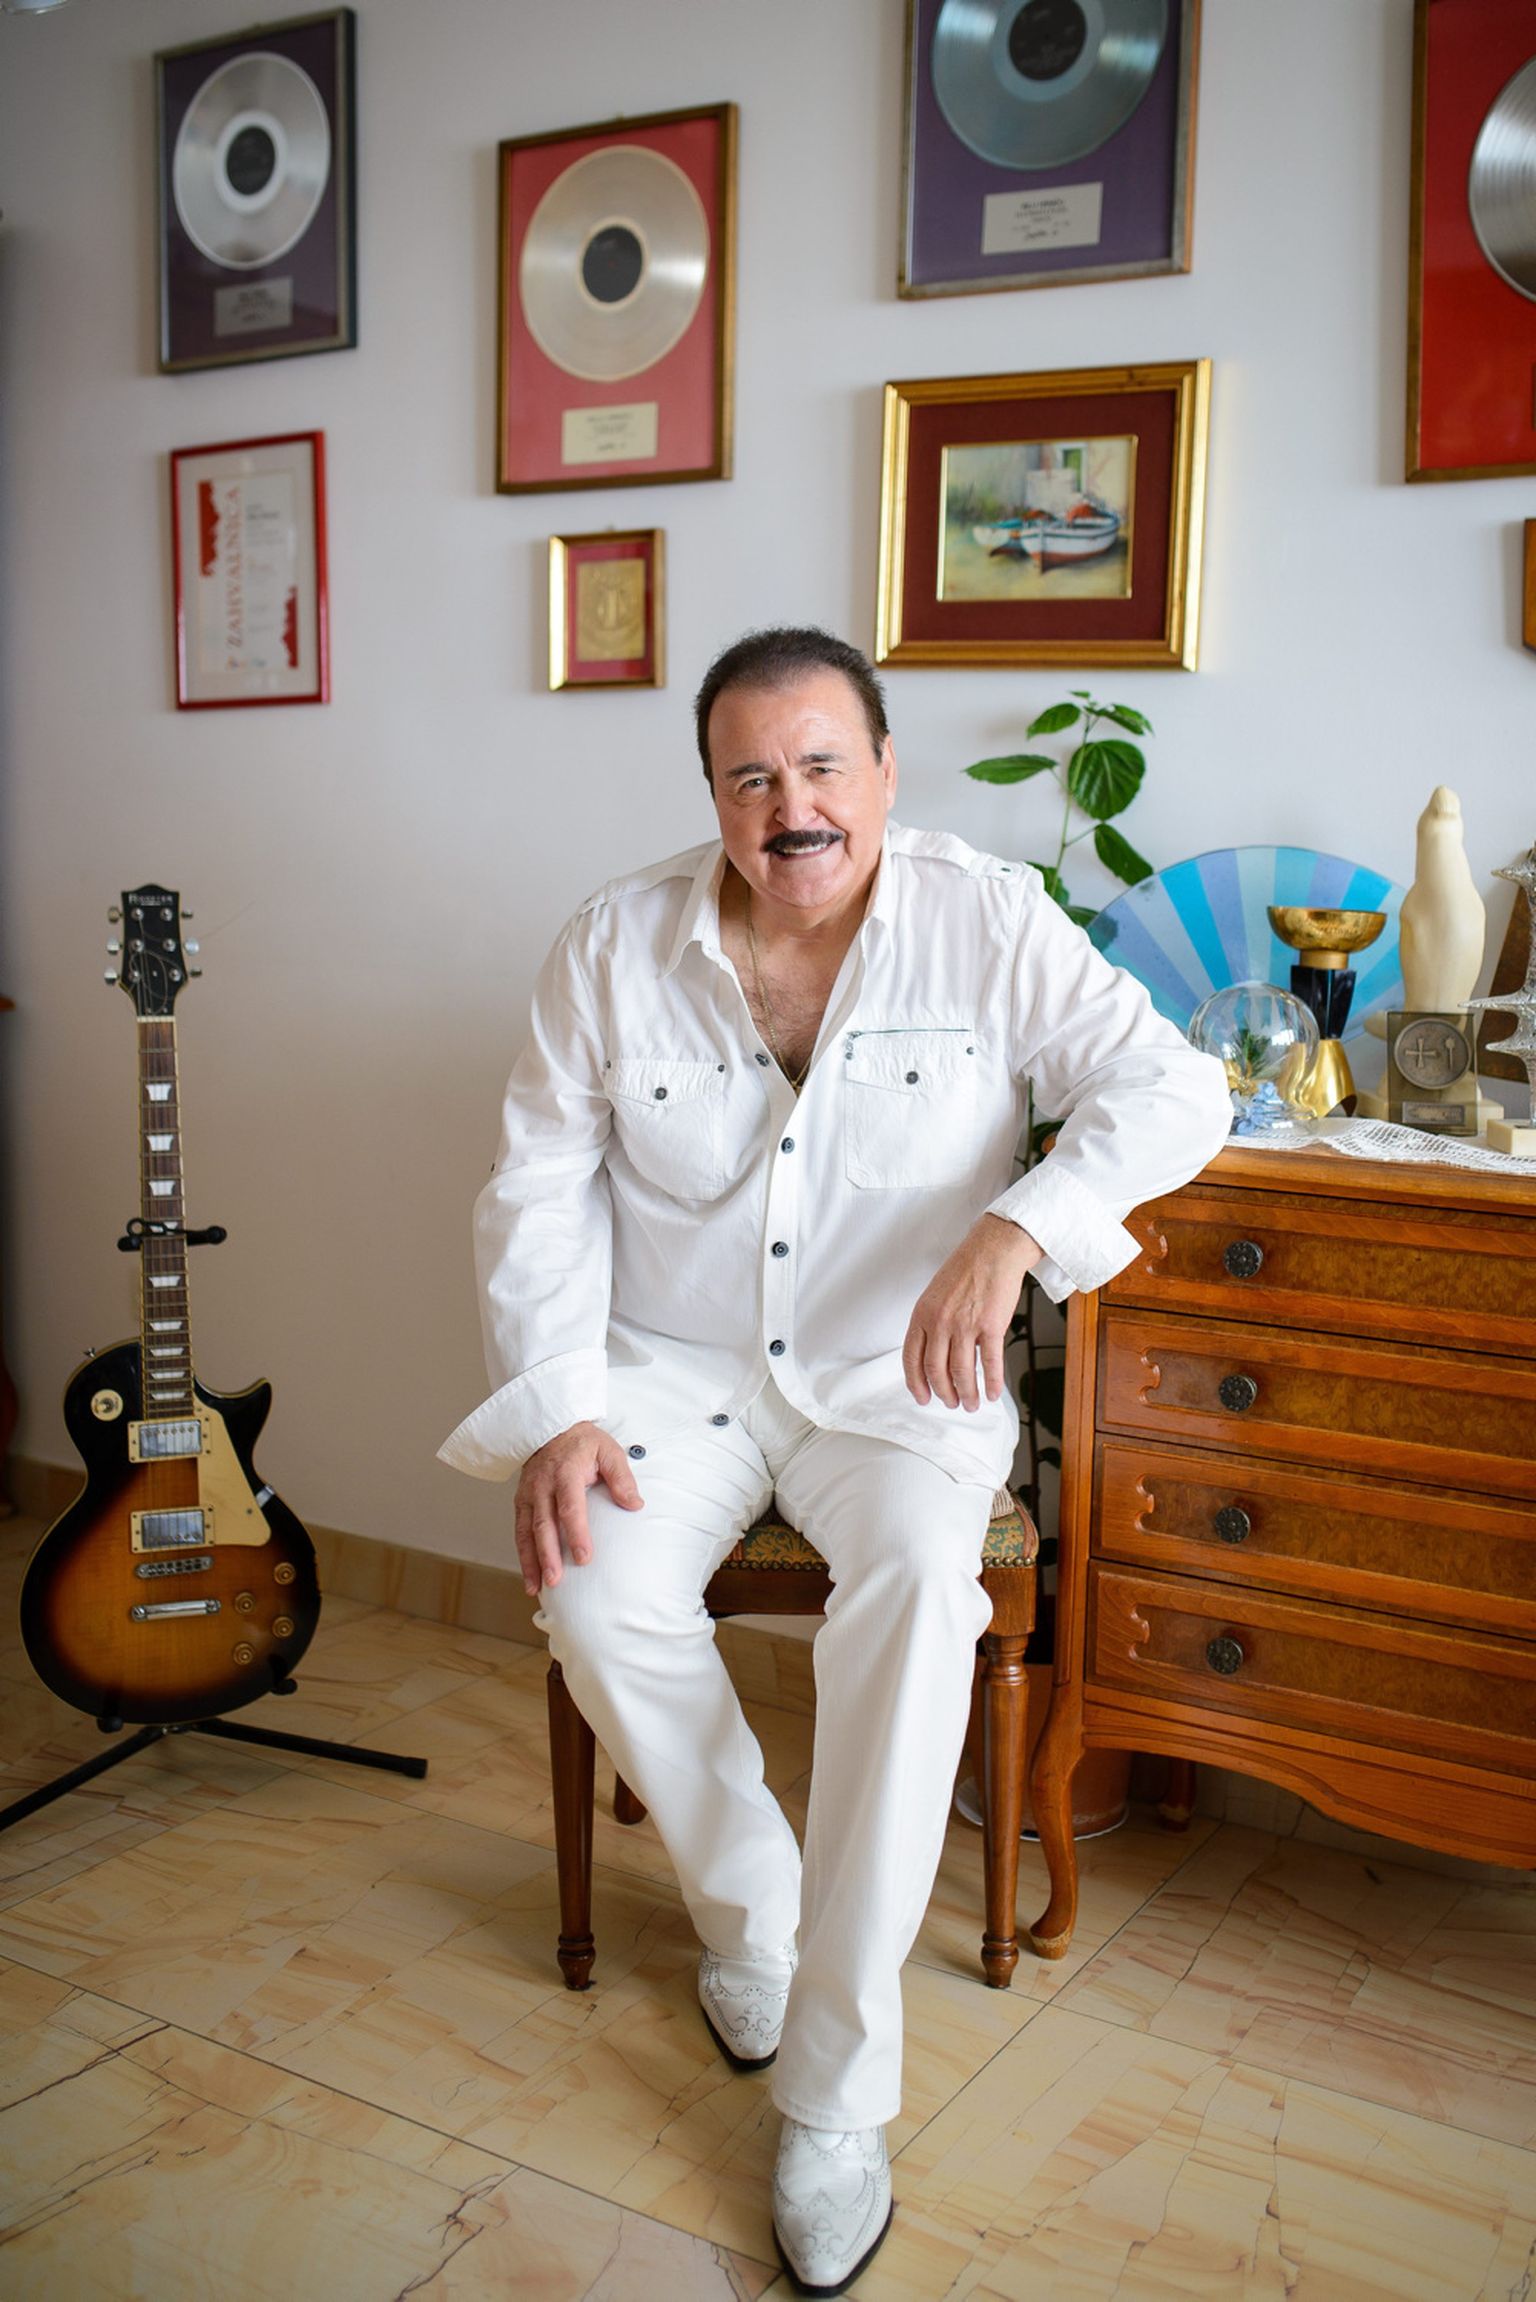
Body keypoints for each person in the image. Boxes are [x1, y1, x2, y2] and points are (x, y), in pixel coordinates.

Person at [440, 626, 1230, 2295]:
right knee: (589, 1581)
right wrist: (562, 1402)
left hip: (898, 1382)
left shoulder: (987, 917)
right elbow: (536, 1190)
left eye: (820, 766)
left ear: (884, 772)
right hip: (673, 1372)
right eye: (750, 776)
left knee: (925, 1588)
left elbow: (1174, 1088)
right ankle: (753, 1911)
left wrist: (1019, 1228)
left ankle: (837, 2095)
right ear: (712, 795)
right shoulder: (610, 944)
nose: (789, 806)